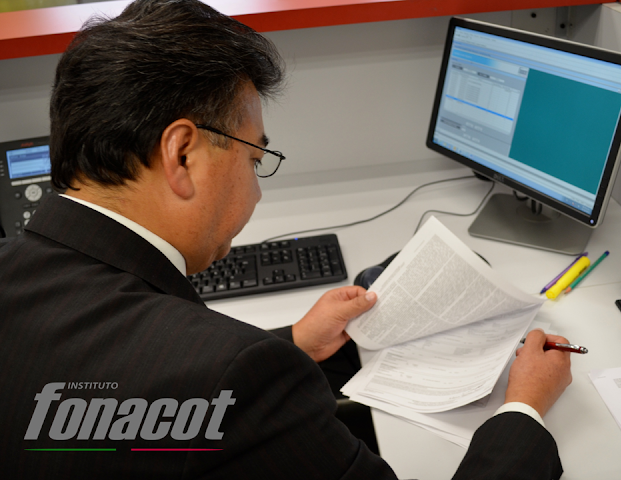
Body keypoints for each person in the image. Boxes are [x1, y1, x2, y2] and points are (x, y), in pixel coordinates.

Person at [0, 0, 572, 478]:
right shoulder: (234, 375)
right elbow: (210, 382)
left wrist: (294, 342)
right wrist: (523, 410)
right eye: (254, 158)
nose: (256, 192)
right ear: (182, 154)